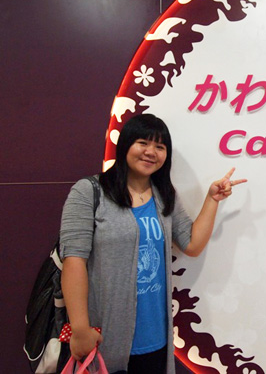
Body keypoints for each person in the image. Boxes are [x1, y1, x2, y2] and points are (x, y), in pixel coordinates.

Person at [59, 114, 246, 373]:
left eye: (160, 146)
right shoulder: (90, 191)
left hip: (155, 337)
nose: (151, 152)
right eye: (143, 143)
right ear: (126, 145)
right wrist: (80, 329)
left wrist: (212, 200)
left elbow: (192, 244)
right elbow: (74, 260)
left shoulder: (163, 195)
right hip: (104, 336)